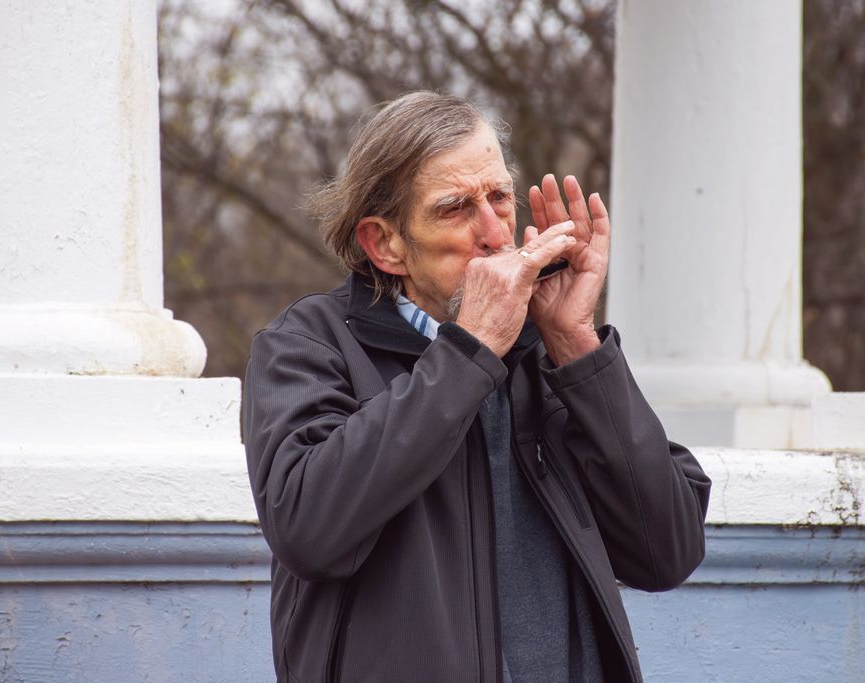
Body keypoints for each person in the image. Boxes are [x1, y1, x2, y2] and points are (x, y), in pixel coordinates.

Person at [243, 91, 711, 682]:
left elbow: (667, 551)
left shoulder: (550, 349)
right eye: (455, 208)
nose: (494, 232)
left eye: (499, 197)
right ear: (385, 244)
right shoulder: (308, 344)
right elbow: (307, 527)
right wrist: (469, 351)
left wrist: (576, 346)